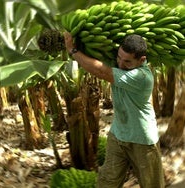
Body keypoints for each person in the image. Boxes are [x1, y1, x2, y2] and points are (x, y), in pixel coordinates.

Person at [64, 32, 165, 188]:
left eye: (127, 62)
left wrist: (72, 50)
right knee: (107, 182)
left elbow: (103, 72)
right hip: (118, 135)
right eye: (119, 57)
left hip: (142, 140)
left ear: (142, 60)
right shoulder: (120, 64)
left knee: (152, 185)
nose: (121, 64)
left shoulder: (143, 77)